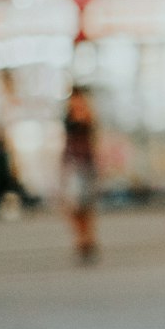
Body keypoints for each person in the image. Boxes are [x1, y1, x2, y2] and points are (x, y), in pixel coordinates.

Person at [60, 86, 99, 262]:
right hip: (71, 163)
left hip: (84, 164)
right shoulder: (68, 115)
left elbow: (89, 130)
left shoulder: (86, 113)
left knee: (83, 204)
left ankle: (87, 239)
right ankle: (81, 239)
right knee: (73, 205)